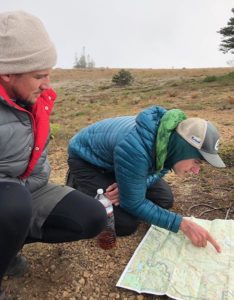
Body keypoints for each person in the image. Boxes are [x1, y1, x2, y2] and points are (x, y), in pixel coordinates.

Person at [0, 11, 107, 300]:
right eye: (39, 75)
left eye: (49, 73)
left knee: (93, 217)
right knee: (12, 204)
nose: (48, 84)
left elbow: (35, 167)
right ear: (7, 72)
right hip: (8, 198)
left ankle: (9, 246)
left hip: (28, 190)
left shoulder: (36, 101)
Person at [67, 105, 226, 254]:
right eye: (197, 161)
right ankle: (78, 188)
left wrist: (130, 187)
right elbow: (133, 203)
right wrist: (182, 224)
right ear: (183, 149)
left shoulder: (168, 141)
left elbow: (159, 170)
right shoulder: (137, 149)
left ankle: (122, 179)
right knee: (125, 224)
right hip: (87, 161)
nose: (196, 170)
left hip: (119, 161)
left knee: (164, 199)